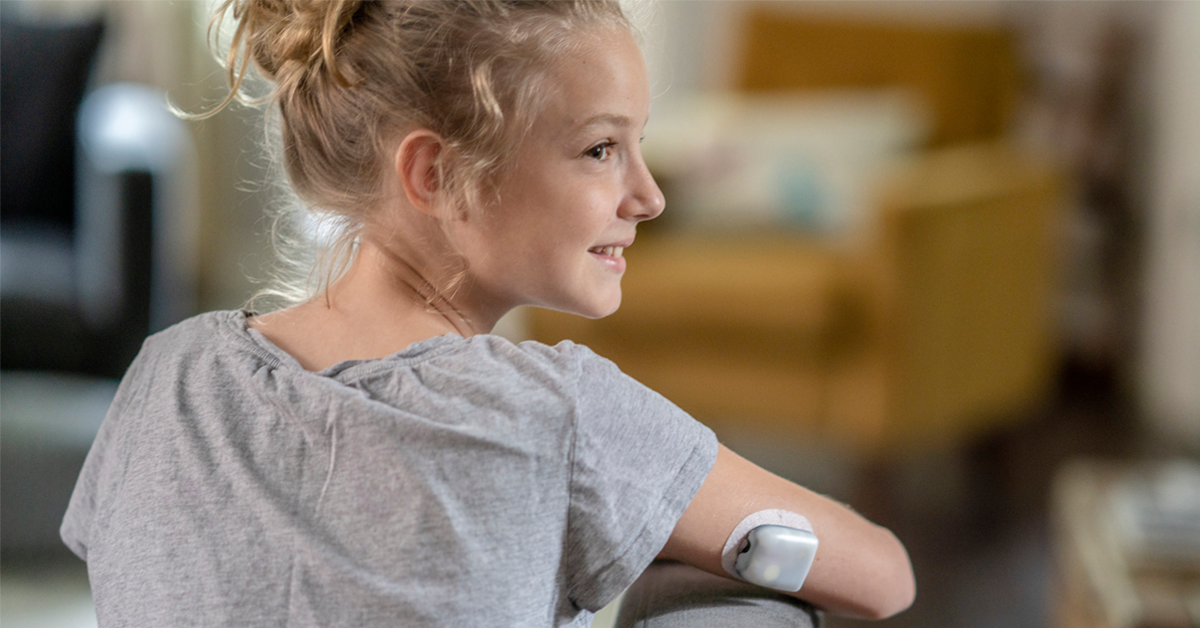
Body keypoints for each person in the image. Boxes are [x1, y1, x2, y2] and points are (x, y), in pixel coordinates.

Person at [61, 1, 915, 626]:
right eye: (600, 149)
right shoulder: (557, 413)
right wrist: (663, 521)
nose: (648, 197)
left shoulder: (165, 377)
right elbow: (883, 575)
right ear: (433, 174)